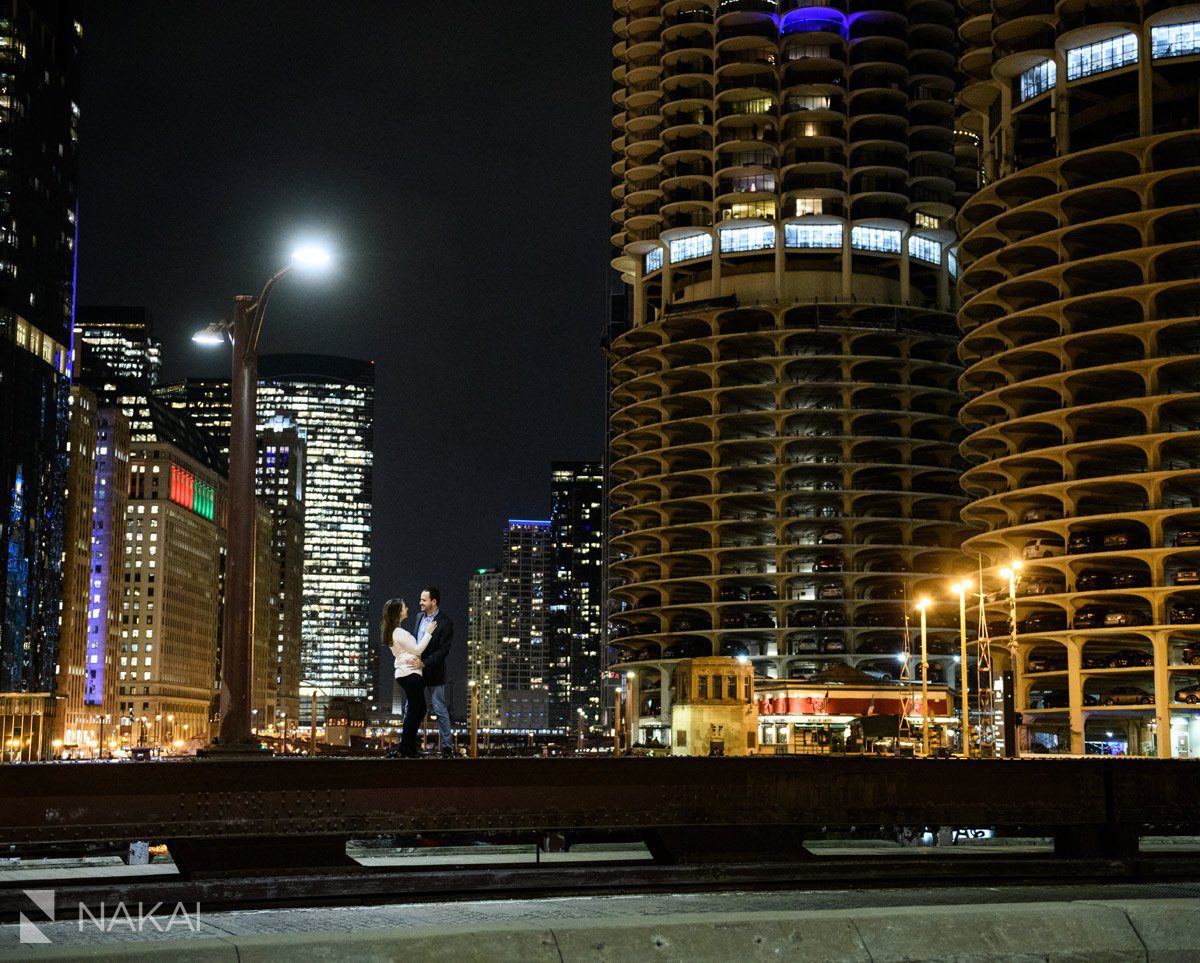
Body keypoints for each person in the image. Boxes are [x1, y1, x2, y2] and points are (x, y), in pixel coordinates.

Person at [381, 597, 435, 758]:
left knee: (419, 709)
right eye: (405, 607)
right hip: (410, 673)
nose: (408, 609)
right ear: (398, 612)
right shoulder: (398, 632)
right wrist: (428, 633)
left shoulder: (394, 632)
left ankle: (408, 746)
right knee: (414, 710)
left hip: (407, 673)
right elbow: (417, 649)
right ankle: (405, 747)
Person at [413, 587, 455, 756]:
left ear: (433, 602)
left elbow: (444, 650)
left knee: (439, 709)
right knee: (412, 707)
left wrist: (425, 663)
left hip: (434, 672)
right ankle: (409, 743)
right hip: (416, 670)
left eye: (424, 600)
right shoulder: (418, 618)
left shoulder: (445, 622)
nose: (420, 602)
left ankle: (447, 747)